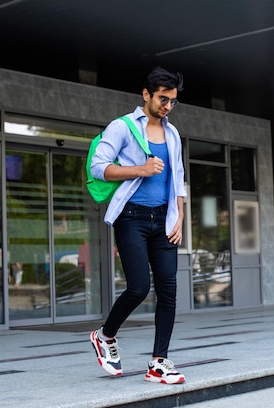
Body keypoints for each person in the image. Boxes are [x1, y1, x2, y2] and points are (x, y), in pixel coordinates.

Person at [89, 67, 186, 384]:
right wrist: (140, 169)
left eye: (172, 101)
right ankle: (105, 336)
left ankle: (159, 362)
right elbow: (98, 167)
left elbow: (178, 180)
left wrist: (180, 218)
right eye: (162, 99)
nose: (167, 106)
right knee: (139, 287)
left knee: (169, 291)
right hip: (131, 218)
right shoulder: (122, 127)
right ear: (146, 94)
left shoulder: (172, 134)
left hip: (165, 221)